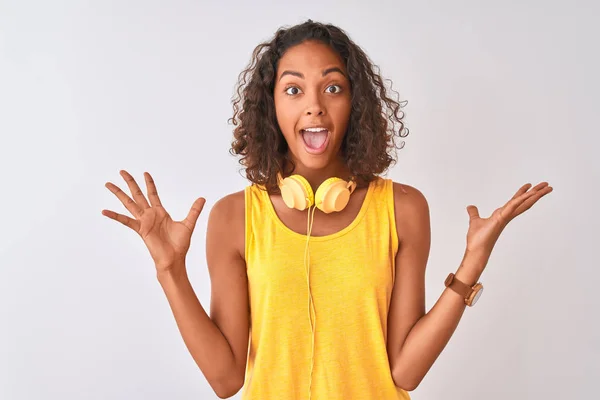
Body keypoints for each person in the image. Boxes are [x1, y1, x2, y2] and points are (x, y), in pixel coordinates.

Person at [101, 20, 553, 400]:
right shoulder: (232, 219)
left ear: (354, 102)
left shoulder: (403, 208)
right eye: (293, 89)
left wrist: (473, 261)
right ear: (272, 106)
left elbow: (405, 373)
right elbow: (225, 380)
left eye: (332, 87)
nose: (314, 105)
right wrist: (170, 271)